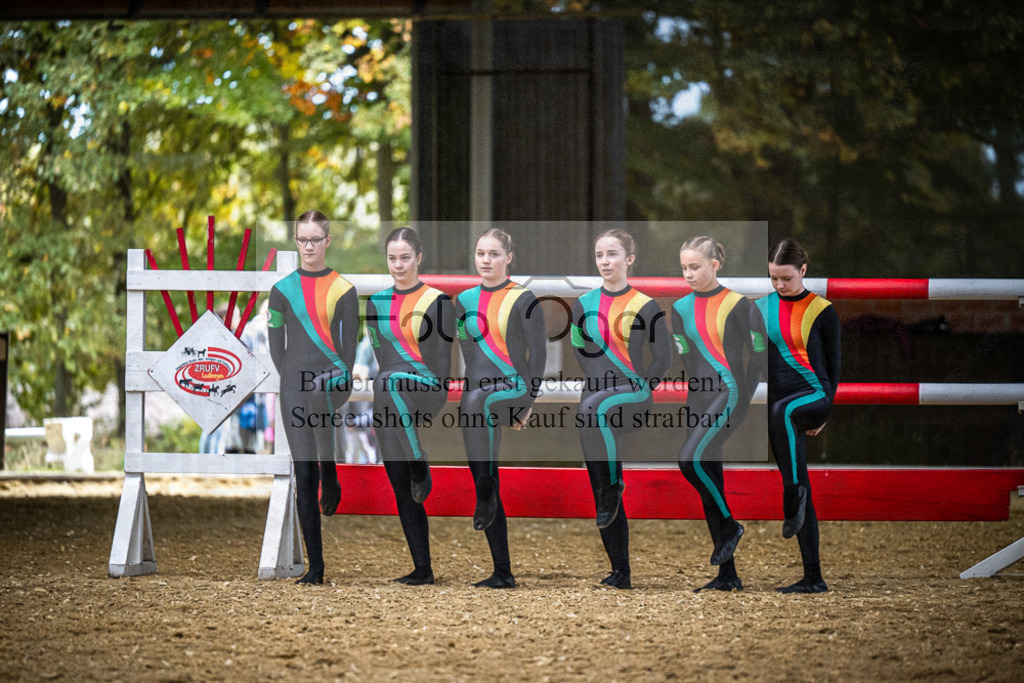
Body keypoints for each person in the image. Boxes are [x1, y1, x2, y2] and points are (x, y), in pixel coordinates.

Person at [570, 229, 672, 589]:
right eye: (599, 255)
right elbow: (581, 352)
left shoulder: (645, 306)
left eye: (612, 254)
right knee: (601, 491)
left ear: (629, 260)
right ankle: (621, 572)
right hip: (595, 403)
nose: (604, 262)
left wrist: (643, 387)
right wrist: (599, 388)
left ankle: (614, 486)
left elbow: (664, 357)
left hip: (632, 398)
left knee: (607, 478)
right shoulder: (582, 305)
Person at [267, 209, 358, 585]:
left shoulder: (345, 290)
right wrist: (292, 380)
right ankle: (315, 567)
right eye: (302, 239)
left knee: (321, 390)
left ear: (328, 242)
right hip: (295, 384)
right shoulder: (281, 291)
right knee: (303, 474)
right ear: (295, 241)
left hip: (334, 378)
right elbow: (277, 348)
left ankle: (331, 471)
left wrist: (333, 377)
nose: (309, 246)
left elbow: (349, 351)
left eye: (315, 239)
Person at [455, 228, 546, 589]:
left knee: (475, 400)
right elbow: (467, 355)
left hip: (513, 387)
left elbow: (537, 357)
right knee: (484, 474)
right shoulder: (463, 300)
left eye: (494, 254)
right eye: (481, 253)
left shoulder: (525, 299)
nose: (486, 260)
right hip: (478, 397)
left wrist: (527, 404)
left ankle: (486, 489)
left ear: (509, 258)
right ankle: (502, 571)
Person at [750, 239, 840, 594]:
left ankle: (791, 494)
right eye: (773, 278)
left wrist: (826, 410)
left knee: (781, 410)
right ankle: (813, 576)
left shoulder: (822, 310)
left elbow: (833, 368)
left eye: (786, 278)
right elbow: (759, 362)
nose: (779, 285)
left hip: (813, 396)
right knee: (801, 481)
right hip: (781, 405)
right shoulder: (761, 308)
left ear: (803, 271)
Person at [365, 227, 454, 586]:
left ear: (419, 258)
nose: (398, 265)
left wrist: (400, 381)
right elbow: (380, 356)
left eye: (405, 258)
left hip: (427, 390)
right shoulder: (375, 303)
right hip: (389, 397)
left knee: (387, 381)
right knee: (402, 484)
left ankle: (420, 459)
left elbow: (441, 365)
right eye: (392, 258)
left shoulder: (438, 302)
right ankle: (423, 568)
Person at [672, 236, 759, 593]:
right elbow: (688, 361)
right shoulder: (679, 309)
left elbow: (757, 362)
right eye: (684, 268)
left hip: (730, 395)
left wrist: (740, 405)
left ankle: (730, 524)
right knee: (710, 476)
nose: (688, 274)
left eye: (695, 267)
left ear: (715, 265)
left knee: (688, 461)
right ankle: (728, 575)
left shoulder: (740, 305)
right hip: (699, 400)